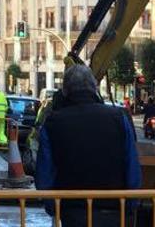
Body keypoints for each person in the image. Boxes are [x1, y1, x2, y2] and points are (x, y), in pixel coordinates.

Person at [36, 65, 140, 227]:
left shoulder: (53, 123)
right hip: (114, 211)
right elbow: (132, 165)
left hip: (73, 212)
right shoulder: (118, 118)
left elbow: (45, 173)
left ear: (65, 91)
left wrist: (54, 207)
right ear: (94, 88)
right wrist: (130, 205)